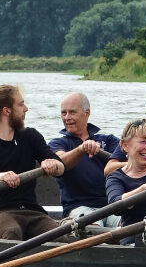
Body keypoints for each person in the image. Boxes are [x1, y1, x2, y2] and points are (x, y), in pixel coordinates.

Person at [0, 85, 69, 241]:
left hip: (34, 212)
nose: (26, 109)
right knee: (11, 234)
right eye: (20, 104)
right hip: (3, 212)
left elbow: (61, 168)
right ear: (7, 111)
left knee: (61, 238)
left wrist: (52, 164)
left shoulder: (31, 136)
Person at [47, 92, 120, 226]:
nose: (67, 117)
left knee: (130, 225)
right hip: (78, 209)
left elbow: (129, 161)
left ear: (87, 113)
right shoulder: (57, 144)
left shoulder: (109, 141)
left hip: (111, 207)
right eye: (64, 113)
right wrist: (81, 149)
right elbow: (60, 162)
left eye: (72, 112)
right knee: (93, 228)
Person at [105, 119, 146, 246]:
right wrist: (145, 188)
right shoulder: (116, 178)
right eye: (143, 141)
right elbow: (115, 204)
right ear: (125, 146)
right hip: (134, 241)